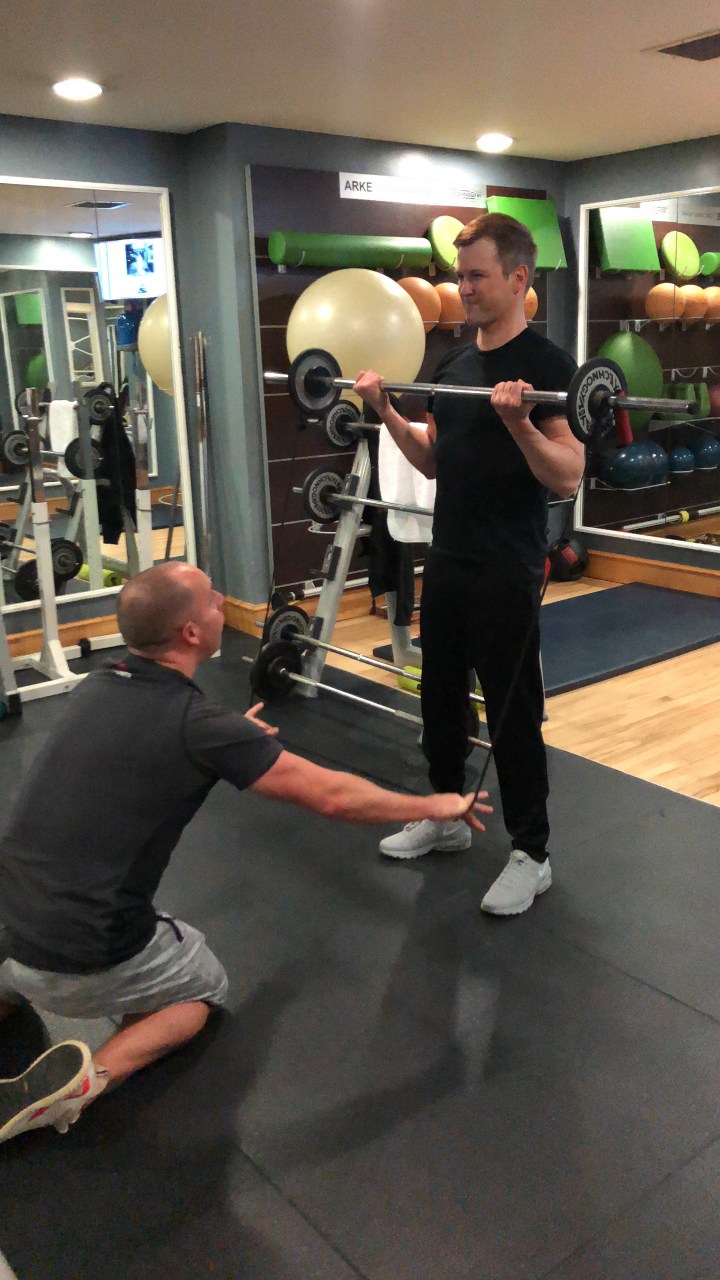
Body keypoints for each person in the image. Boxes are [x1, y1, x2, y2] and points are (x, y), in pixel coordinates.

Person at [0, 562, 490, 1145]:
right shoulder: (197, 725)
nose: (222, 604)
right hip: (82, 955)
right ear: (189, 633)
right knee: (202, 987)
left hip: (10, 927)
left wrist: (228, 735)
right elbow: (331, 796)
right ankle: (91, 1079)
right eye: (213, 600)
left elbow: (155, 739)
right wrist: (434, 804)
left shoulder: (99, 684)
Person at [353, 212, 584, 915]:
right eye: (461, 276)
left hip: (507, 566)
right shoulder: (453, 363)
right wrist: (385, 410)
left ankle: (531, 853)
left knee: (513, 713)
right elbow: (433, 459)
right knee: (440, 699)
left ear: (518, 278)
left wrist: (518, 422)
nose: (465, 288)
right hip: (448, 558)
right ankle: (446, 813)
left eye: (477, 275)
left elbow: (567, 474)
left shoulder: (549, 367)